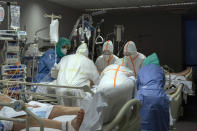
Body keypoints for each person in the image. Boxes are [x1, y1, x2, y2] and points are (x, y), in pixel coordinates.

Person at [0, 94, 84, 131]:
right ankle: (67, 126)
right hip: (6, 112)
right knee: (23, 119)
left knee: (53, 108)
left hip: (10, 106)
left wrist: (28, 106)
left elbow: (4, 99)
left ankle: (85, 109)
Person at [136, 53, 170, 131]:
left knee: (144, 122)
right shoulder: (160, 70)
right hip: (159, 96)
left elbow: (137, 86)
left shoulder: (141, 70)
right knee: (161, 121)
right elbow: (163, 84)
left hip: (144, 97)